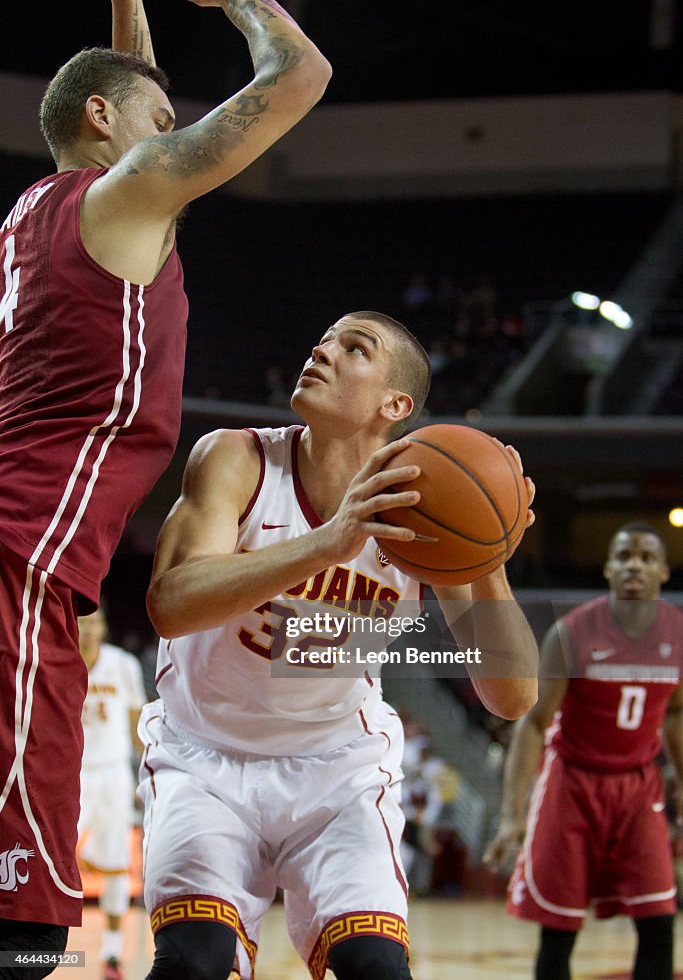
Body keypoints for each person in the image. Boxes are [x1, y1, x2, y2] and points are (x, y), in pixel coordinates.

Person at [0, 0, 331, 969]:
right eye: (159, 117)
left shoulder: (40, 207)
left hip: (33, 521)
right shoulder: (127, 190)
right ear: (104, 121)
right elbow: (300, 77)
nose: (175, 136)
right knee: (18, 809)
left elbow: (122, 99)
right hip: (22, 536)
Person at [138, 309, 539, 980]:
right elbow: (170, 606)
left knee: (376, 967)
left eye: (353, 348)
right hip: (203, 760)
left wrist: (488, 556)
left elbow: (511, 697)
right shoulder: (237, 458)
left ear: (395, 404)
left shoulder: (422, 507)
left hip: (336, 771)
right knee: (192, 962)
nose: (321, 352)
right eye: (321, 339)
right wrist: (329, 542)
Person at [484, 522, 683, 980]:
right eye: (624, 555)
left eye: (646, 557)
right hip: (572, 783)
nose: (635, 564)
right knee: (559, 929)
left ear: (664, 572)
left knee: (658, 921)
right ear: (609, 567)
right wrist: (513, 815)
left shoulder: (677, 635)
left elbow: (674, 715)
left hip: (637, 786)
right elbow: (533, 725)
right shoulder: (571, 633)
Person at [77, 602, 147, 980]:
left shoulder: (123, 665)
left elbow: (138, 725)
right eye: (82, 624)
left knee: (118, 864)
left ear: (103, 628)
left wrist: (146, 775)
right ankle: (23, 950)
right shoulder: (58, 659)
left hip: (113, 775)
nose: (89, 630)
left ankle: (112, 955)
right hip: (69, 778)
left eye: (95, 623)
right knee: (37, 863)